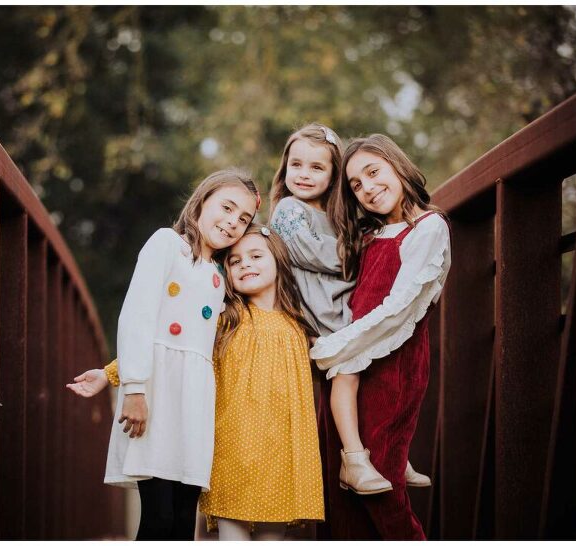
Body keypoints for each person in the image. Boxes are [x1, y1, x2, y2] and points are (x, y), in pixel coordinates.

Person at [66, 169, 259, 540]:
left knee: (184, 520)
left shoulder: (221, 275)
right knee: (159, 518)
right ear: (202, 201)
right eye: (227, 207)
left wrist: (110, 372)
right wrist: (133, 387)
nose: (233, 222)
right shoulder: (167, 244)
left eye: (244, 218)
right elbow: (139, 318)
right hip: (155, 395)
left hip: (195, 402)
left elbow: (189, 341)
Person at [269, 123, 428, 495]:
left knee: (374, 379)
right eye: (297, 165)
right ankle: (354, 459)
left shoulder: (336, 214)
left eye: (317, 167)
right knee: (349, 375)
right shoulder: (288, 210)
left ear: (334, 175)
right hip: (320, 316)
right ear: (285, 168)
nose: (304, 175)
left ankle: (390, 454)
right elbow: (309, 252)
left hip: (343, 309)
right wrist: (360, 248)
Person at [311, 134, 451, 539]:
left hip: (392, 369)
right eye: (356, 184)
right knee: (345, 500)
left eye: (373, 172)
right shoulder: (370, 235)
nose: (367, 188)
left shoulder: (428, 228)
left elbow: (400, 309)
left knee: (384, 496)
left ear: (397, 165)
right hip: (350, 372)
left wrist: (334, 348)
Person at [197, 224, 324, 540]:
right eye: (235, 261)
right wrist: (116, 372)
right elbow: (179, 344)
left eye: (255, 256)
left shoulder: (299, 327)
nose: (245, 265)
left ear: (279, 261)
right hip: (233, 451)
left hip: (282, 457)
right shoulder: (226, 319)